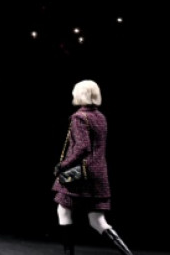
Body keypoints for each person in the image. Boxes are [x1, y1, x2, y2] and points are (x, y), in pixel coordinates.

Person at [52, 80, 132, 255]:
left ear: (80, 94)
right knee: (97, 219)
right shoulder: (100, 116)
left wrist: (63, 165)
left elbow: (82, 147)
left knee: (63, 211)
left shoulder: (79, 117)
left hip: (81, 174)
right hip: (99, 173)